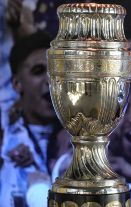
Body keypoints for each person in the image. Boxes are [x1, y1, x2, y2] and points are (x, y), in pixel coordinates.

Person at [0, 31, 60, 207]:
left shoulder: (85, 138)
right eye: (38, 71)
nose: (50, 81)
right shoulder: (5, 142)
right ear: (17, 84)